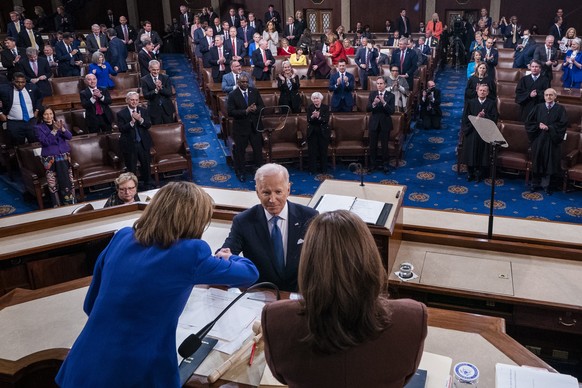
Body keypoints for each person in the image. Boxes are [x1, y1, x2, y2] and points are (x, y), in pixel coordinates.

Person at [55, 181, 259, 387]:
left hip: (84, 363)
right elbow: (249, 273)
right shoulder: (191, 252)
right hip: (136, 372)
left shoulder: (122, 237)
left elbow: (90, 304)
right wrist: (229, 257)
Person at [262, 210, 427, 387]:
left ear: (307, 264)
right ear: (371, 259)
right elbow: (406, 376)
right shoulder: (413, 317)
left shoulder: (275, 319)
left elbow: (280, 376)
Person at [220, 163, 318, 291]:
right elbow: (225, 254)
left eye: (278, 192)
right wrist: (224, 256)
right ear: (257, 192)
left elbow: (321, 259)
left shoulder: (309, 217)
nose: (272, 199)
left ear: (288, 189)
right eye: (266, 193)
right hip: (260, 294)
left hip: (300, 294)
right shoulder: (243, 221)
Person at [525, 88, 568, 195]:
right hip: (539, 139)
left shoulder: (560, 109)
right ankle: (534, 184)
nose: (548, 97)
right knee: (537, 160)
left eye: (551, 95)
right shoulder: (538, 107)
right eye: (546, 95)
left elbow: (562, 125)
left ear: (555, 97)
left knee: (549, 163)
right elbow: (529, 122)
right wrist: (538, 125)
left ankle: (546, 186)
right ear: (544, 96)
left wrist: (549, 128)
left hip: (552, 140)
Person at [34, 106, 75, 207]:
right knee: (53, 184)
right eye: (46, 114)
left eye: (51, 114)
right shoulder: (38, 128)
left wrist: (62, 129)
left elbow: (69, 137)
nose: (49, 116)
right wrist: (54, 131)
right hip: (50, 158)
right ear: (42, 116)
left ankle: (70, 203)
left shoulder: (58, 124)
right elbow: (45, 142)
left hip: (64, 156)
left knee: (67, 181)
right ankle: (57, 205)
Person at [227, 75, 264, 182]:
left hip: (255, 127)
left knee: (257, 150)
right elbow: (230, 112)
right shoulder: (233, 95)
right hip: (241, 128)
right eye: (242, 82)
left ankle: (258, 171)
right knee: (240, 152)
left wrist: (256, 108)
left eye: (246, 82)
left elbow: (262, 107)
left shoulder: (254, 91)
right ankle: (241, 172)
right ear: (238, 83)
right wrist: (245, 111)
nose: (245, 84)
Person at [462, 84, 498, 183]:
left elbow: (495, 118)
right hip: (472, 131)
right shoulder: (470, 102)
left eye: (484, 91)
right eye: (480, 90)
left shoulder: (491, 103)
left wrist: (485, 116)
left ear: (487, 93)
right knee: (471, 152)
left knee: (482, 153)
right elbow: (465, 118)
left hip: (484, 132)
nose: (482, 92)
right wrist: (476, 119)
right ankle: (470, 172)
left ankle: (479, 173)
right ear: (477, 91)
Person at [117, 91, 152, 188]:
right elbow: (121, 129)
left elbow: (148, 125)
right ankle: (133, 186)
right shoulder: (121, 114)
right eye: (132, 100)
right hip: (130, 145)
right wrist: (132, 122)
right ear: (127, 100)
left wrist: (140, 120)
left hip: (143, 143)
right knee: (131, 168)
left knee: (146, 165)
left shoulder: (143, 111)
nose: (134, 102)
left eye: (136, 100)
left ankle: (148, 184)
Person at [0, 72, 42, 145]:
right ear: (12, 81)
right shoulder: (4, 89)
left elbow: (39, 98)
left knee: (35, 144)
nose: (20, 84)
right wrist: (0, 113)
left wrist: (37, 110)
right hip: (14, 123)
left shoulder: (32, 87)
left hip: (31, 121)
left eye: (23, 82)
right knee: (18, 146)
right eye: (17, 82)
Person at [367, 77, 395, 172]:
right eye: (378, 83)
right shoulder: (372, 94)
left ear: (385, 85)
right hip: (374, 123)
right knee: (372, 145)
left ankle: (385, 165)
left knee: (384, 146)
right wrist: (374, 103)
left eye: (381, 83)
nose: (379, 85)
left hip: (385, 123)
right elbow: (368, 109)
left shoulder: (391, 95)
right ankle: (372, 165)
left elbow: (391, 111)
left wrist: (383, 102)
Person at [141, 60, 175, 124]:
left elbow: (169, 93)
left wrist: (161, 87)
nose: (156, 72)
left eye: (157, 69)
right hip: (154, 110)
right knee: (157, 130)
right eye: (154, 70)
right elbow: (146, 96)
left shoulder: (165, 77)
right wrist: (156, 90)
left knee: (169, 128)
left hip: (167, 109)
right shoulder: (144, 80)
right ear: (149, 68)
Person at [306, 92, 330, 174]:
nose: (316, 100)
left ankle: (324, 170)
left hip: (323, 131)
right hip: (312, 132)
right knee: (312, 151)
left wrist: (319, 117)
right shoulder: (310, 107)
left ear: (321, 99)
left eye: (317, 98)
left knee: (323, 150)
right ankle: (313, 170)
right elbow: (308, 120)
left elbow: (326, 120)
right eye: (314, 99)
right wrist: (313, 117)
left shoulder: (326, 107)